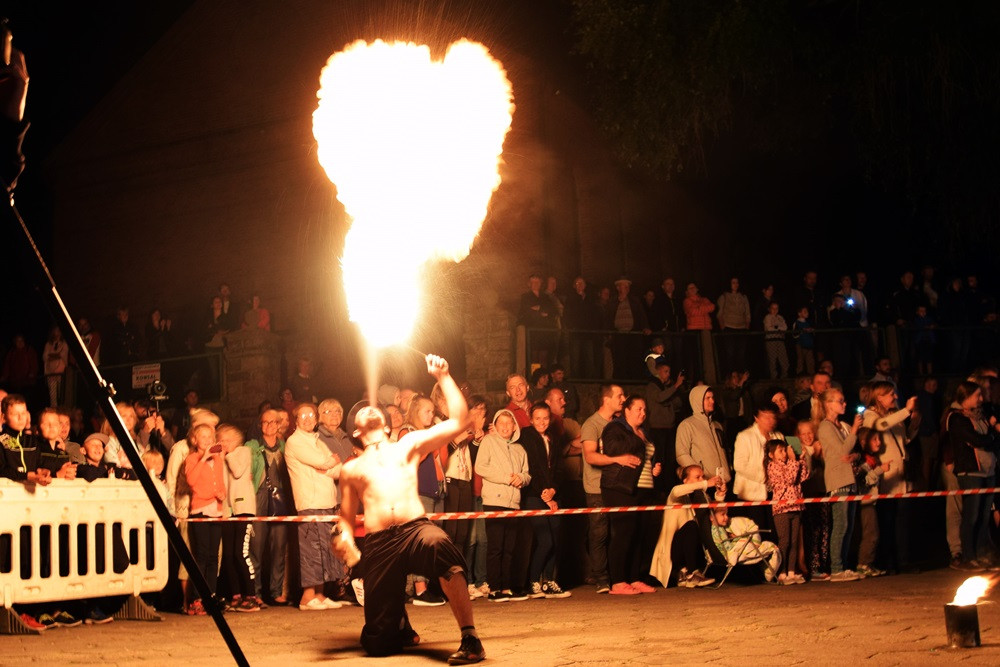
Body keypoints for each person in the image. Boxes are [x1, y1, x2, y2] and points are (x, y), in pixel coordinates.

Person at [335, 354, 485, 664]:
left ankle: (471, 638)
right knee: (378, 645)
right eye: (361, 410)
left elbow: (460, 421)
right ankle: (398, 621)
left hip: (415, 529)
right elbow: (346, 519)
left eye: (373, 408)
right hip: (379, 542)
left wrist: (443, 376)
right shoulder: (351, 469)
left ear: (386, 422)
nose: (369, 408)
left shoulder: (408, 444)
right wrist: (344, 538)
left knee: (441, 547)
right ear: (356, 432)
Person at [600, 396, 661, 594]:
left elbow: (647, 456)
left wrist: (654, 466)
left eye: (644, 409)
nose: (643, 413)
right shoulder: (615, 428)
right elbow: (612, 449)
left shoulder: (644, 431)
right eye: (638, 409)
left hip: (644, 488)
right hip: (620, 487)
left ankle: (635, 578)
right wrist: (637, 440)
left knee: (639, 534)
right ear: (626, 410)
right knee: (623, 533)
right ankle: (618, 581)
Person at [285, 402, 343, 610]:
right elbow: (324, 463)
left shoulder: (318, 441)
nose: (308, 419)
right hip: (310, 503)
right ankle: (307, 597)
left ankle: (319, 594)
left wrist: (328, 465)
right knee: (312, 551)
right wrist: (328, 463)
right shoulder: (294, 441)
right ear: (296, 421)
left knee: (325, 551)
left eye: (311, 415)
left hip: (327, 502)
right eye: (303, 416)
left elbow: (338, 469)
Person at [861, 381, 919, 574]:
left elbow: (905, 439)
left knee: (903, 522)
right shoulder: (871, 416)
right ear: (879, 397)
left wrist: (915, 422)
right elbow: (880, 426)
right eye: (891, 394)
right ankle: (888, 562)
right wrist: (906, 411)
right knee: (888, 522)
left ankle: (903, 560)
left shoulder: (894, 415)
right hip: (887, 478)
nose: (895, 397)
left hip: (902, 477)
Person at [942, 381, 1000, 570]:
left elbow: (988, 441)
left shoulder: (981, 416)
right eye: (977, 395)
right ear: (965, 397)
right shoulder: (957, 418)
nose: (981, 399)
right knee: (972, 515)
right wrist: (991, 435)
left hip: (988, 470)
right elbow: (975, 439)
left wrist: (989, 437)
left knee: (984, 515)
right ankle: (968, 555)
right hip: (971, 470)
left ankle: (982, 554)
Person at [476, 409, 530, 603]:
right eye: (501, 423)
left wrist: (521, 479)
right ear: (495, 425)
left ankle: (506, 587)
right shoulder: (488, 442)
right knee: (496, 546)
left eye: (509, 423)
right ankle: (494, 588)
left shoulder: (520, 449)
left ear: (515, 426)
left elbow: (527, 474)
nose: (505, 426)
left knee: (509, 548)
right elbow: (480, 467)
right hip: (494, 501)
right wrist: (507, 478)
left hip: (513, 503)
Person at [580, 383, 629, 594]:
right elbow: (590, 456)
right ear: (606, 399)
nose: (623, 399)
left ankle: (618, 575)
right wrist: (618, 459)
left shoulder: (619, 425)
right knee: (599, 533)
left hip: (617, 487)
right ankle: (601, 577)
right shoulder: (592, 424)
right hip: (596, 488)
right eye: (619, 395)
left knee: (618, 532)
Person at [518, 402, 570, 599]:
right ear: (531, 419)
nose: (542, 422)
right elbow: (532, 468)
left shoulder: (554, 438)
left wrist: (554, 490)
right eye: (537, 418)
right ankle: (533, 582)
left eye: (545, 418)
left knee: (555, 539)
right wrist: (546, 495)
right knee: (545, 540)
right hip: (534, 495)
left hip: (554, 495)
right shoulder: (526, 436)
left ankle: (549, 581)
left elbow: (559, 469)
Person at [649, 465, 722, 588]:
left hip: (684, 550)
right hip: (672, 550)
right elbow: (677, 490)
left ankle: (685, 573)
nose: (702, 480)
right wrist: (706, 484)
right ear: (685, 480)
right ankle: (691, 573)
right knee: (691, 526)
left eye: (703, 477)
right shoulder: (676, 494)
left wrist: (720, 494)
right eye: (697, 477)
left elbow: (714, 513)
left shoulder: (695, 497)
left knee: (695, 527)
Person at [816, 388, 862, 582]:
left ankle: (843, 566)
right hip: (838, 480)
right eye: (840, 401)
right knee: (841, 525)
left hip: (850, 479)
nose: (844, 404)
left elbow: (853, 451)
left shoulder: (842, 425)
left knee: (849, 527)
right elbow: (843, 450)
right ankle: (836, 568)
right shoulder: (825, 427)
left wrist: (855, 455)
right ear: (828, 404)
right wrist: (855, 430)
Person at [246, 408, 289, 606]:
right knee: (256, 547)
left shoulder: (285, 447)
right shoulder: (252, 446)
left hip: (280, 498)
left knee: (279, 546)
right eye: (266, 422)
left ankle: (276, 591)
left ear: (279, 424)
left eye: (274, 422)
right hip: (259, 497)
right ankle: (255, 593)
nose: (270, 425)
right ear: (260, 425)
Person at [184, 422, 227, 615]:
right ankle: (196, 598)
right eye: (203, 436)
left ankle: (211, 597)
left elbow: (220, 481)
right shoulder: (192, 458)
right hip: (200, 510)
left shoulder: (218, 459)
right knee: (201, 556)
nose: (207, 440)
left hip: (216, 511)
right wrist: (203, 459)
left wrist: (222, 493)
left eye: (210, 437)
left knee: (212, 556)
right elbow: (191, 481)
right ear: (195, 440)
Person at [217, 424, 259, 612]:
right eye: (221, 440)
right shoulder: (222, 457)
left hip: (243, 508)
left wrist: (227, 455)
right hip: (228, 511)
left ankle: (251, 595)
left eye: (228, 440)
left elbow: (238, 471)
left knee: (241, 553)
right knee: (228, 555)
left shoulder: (242, 452)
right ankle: (236, 595)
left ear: (237, 441)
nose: (224, 443)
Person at [764, 440, 809, 584]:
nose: (784, 454)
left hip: (796, 506)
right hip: (782, 509)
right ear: (771, 455)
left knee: (794, 542)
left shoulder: (790, 464)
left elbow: (803, 476)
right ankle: (782, 573)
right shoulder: (773, 467)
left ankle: (791, 572)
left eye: (785, 450)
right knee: (785, 541)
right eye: (780, 451)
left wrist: (801, 460)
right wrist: (794, 461)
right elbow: (790, 479)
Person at [675, 385, 731, 485]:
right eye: (707, 398)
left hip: (723, 481)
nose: (712, 401)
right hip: (704, 482)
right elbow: (682, 454)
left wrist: (728, 472)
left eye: (712, 397)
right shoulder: (687, 425)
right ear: (697, 400)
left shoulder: (717, 425)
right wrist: (699, 475)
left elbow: (725, 451)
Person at [709, 506, 781, 581]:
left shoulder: (716, 529)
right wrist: (741, 539)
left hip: (719, 556)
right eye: (723, 514)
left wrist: (735, 538)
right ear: (712, 517)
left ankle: (767, 572)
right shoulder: (717, 531)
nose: (726, 517)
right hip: (731, 555)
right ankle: (769, 573)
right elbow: (729, 548)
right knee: (771, 547)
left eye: (726, 514)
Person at [853, 427, 887, 578]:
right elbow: (863, 481)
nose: (878, 442)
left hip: (871, 500)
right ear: (864, 442)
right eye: (874, 439)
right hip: (865, 502)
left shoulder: (873, 459)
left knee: (872, 532)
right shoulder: (863, 461)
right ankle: (864, 564)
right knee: (871, 532)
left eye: (879, 439)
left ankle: (868, 563)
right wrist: (879, 470)